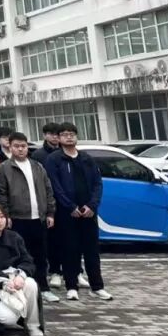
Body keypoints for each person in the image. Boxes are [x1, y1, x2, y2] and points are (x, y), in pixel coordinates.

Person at [44, 123, 111, 301]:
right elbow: (55, 186)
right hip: (67, 213)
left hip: (88, 212)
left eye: (72, 134)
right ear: (59, 138)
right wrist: (70, 206)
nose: (69, 137)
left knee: (92, 251)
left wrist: (92, 205)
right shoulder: (54, 159)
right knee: (70, 250)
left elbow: (97, 184)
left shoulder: (87, 159)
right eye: (65, 134)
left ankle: (97, 286)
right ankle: (71, 286)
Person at [0, 132, 57, 302]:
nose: (20, 149)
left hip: (39, 218)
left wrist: (50, 212)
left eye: (23, 146)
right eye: (16, 146)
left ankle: (43, 287)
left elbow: (48, 190)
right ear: (10, 147)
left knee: (40, 255)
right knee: (20, 255)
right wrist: (6, 215)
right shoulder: (4, 168)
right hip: (17, 218)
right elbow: (2, 194)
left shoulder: (37, 166)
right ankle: (21, 287)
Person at [0, 202, 44, 336]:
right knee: (7, 318)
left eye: (2, 216)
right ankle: (15, 316)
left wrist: (21, 275)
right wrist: (5, 281)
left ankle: (33, 325)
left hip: (15, 278)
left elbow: (27, 260)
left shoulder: (14, 237)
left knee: (31, 284)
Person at [33, 122, 65, 292]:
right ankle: (54, 271)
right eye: (51, 134)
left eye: (57, 134)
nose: (54, 137)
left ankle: (75, 271)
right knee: (51, 240)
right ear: (45, 135)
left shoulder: (65, 152)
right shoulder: (38, 155)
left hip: (66, 202)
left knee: (69, 239)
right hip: (48, 202)